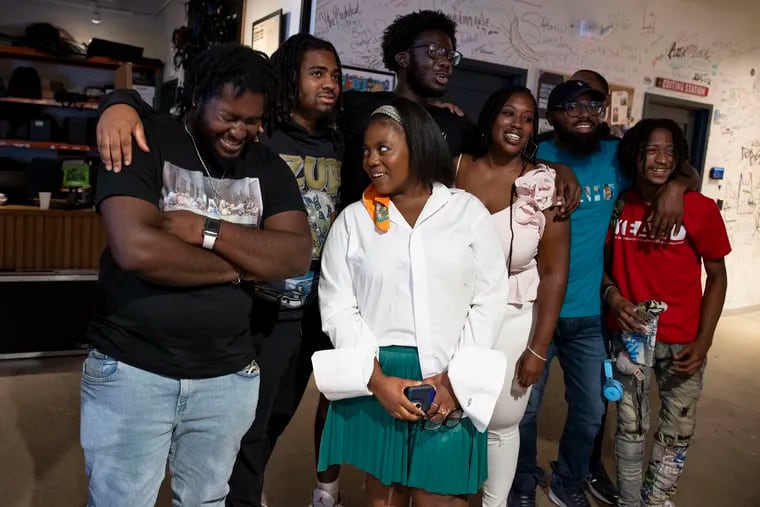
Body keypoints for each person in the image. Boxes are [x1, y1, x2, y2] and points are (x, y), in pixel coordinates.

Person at [93, 34, 344, 507]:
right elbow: (137, 249)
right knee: (121, 499)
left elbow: (293, 255)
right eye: (228, 117)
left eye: (252, 122)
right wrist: (244, 268)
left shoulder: (267, 165)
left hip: (227, 373)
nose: (240, 132)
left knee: (208, 500)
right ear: (198, 98)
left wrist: (208, 230)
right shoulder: (147, 140)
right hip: (133, 365)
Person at [509, 79, 700, 507]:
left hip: (590, 314)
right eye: (571, 105)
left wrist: (676, 187)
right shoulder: (534, 153)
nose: (584, 112)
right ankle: (521, 482)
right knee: (524, 409)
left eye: (593, 104)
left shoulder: (616, 156)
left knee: (592, 412)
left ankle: (569, 481)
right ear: (552, 115)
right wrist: (556, 169)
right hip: (535, 311)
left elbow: (676, 166)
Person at [313, 97, 509, 507]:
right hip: (381, 375)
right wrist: (376, 380)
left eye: (383, 148)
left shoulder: (466, 212)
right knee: (383, 497)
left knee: (439, 496)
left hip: (450, 374)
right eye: (366, 150)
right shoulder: (354, 221)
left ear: (418, 146)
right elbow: (336, 304)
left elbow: (489, 298)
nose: (371, 160)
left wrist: (456, 380)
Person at [604, 118, 729, 507]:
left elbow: (717, 276)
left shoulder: (699, 208)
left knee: (676, 431)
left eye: (671, 152)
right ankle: (628, 500)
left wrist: (705, 339)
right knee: (629, 427)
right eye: (652, 150)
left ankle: (656, 499)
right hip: (630, 337)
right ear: (634, 154)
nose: (662, 159)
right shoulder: (618, 204)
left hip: (683, 341)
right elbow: (598, 264)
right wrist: (613, 296)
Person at [455, 85, 570, 507]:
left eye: (526, 119)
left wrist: (539, 349)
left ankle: (494, 502)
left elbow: (555, 272)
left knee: (502, 422)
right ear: (489, 118)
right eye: (508, 113)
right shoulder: (454, 169)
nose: (517, 125)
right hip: (453, 314)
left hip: (511, 316)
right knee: (450, 415)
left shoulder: (544, 186)